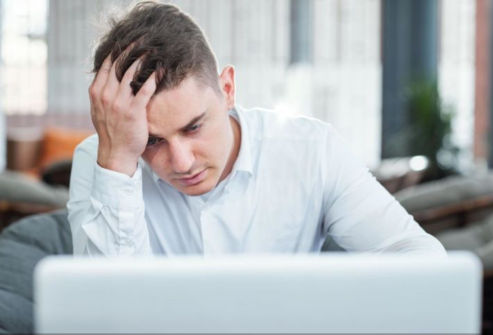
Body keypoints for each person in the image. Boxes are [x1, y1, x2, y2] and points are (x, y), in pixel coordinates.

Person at [68, 1, 445, 256]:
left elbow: (417, 259)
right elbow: (107, 316)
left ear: (228, 89)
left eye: (194, 127)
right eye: (152, 141)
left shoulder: (312, 150)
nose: (181, 162)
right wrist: (118, 159)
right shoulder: (100, 162)